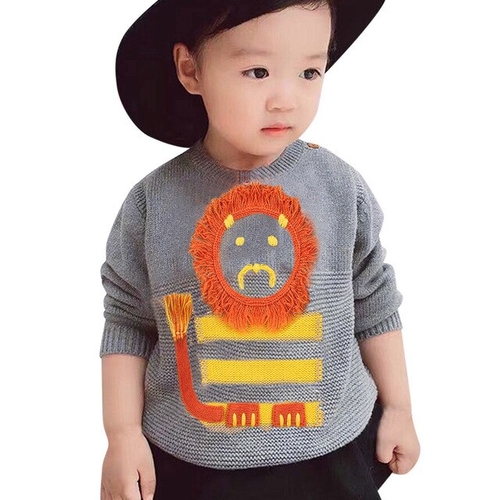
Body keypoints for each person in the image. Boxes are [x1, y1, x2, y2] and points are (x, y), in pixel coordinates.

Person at [99, 1, 420, 499]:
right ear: (190, 70)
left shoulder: (339, 188)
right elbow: (128, 322)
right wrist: (122, 435)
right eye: (258, 72)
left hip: (329, 451)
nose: (286, 100)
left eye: (309, 72)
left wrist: (399, 407)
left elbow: (374, 301)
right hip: (195, 459)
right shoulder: (153, 204)